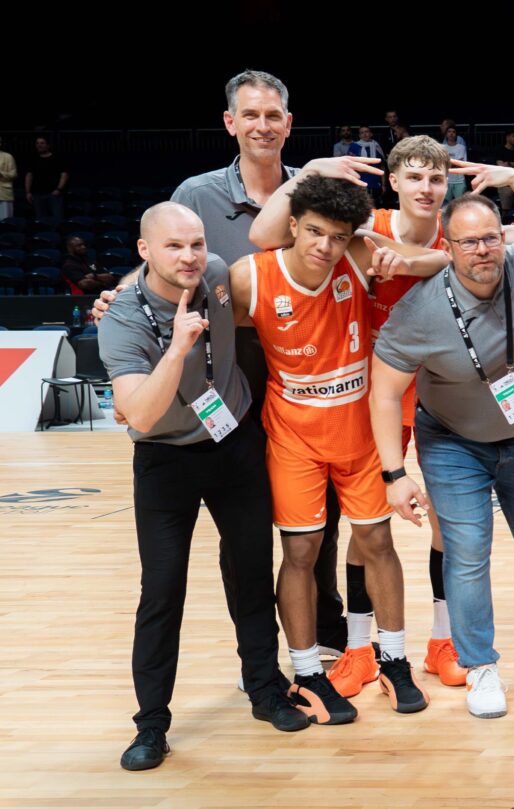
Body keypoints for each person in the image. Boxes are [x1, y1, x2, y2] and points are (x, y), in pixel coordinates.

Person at [103, 203, 313, 771]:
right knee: (162, 589)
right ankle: (151, 725)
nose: (190, 256)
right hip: (164, 458)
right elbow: (139, 414)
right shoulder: (121, 318)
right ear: (145, 251)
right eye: (174, 246)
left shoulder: (217, 273)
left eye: (196, 243)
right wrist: (177, 347)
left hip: (232, 441)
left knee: (251, 571)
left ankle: (265, 691)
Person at [234, 176, 449, 726]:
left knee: (377, 542)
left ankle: (393, 660)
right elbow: (179, 294)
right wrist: (118, 300)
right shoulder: (251, 276)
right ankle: (308, 673)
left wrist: (398, 259)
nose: (324, 246)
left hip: (358, 431)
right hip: (293, 436)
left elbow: (438, 261)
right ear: (291, 226)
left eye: (336, 235)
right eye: (313, 232)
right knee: (301, 553)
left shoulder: (357, 255)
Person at [170, 69, 358, 668]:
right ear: (230, 122)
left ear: (289, 124)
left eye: (273, 115)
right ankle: (258, 656)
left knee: (320, 518)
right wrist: (119, 294)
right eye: (250, 115)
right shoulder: (195, 195)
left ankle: (325, 631)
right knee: (245, 527)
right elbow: (162, 271)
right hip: (231, 373)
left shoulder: (315, 191)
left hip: (307, 372)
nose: (262, 125)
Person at [368, 194, 514, 719]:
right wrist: (394, 474)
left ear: (504, 237)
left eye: (490, 238)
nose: (482, 250)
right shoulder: (420, 310)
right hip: (452, 442)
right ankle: (480, 664)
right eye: (468, 242)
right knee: (467, 553)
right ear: (448, 246)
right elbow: (384, 392)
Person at [25, 135, 67, 222]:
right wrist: (28, 192)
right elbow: (29, 175)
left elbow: (64, 175)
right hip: (37, 194)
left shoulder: (57, 158)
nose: (39, 145)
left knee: (57, 219)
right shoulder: (33, 159)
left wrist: (58, 189)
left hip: (54, 194)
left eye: (42, 143)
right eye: (37, 143)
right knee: (40, 220)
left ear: (48, 145)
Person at [0, 135, 14, 221]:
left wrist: (1, 174)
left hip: (4, 194)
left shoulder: (8, 156)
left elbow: (13, 174)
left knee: (5, 222)